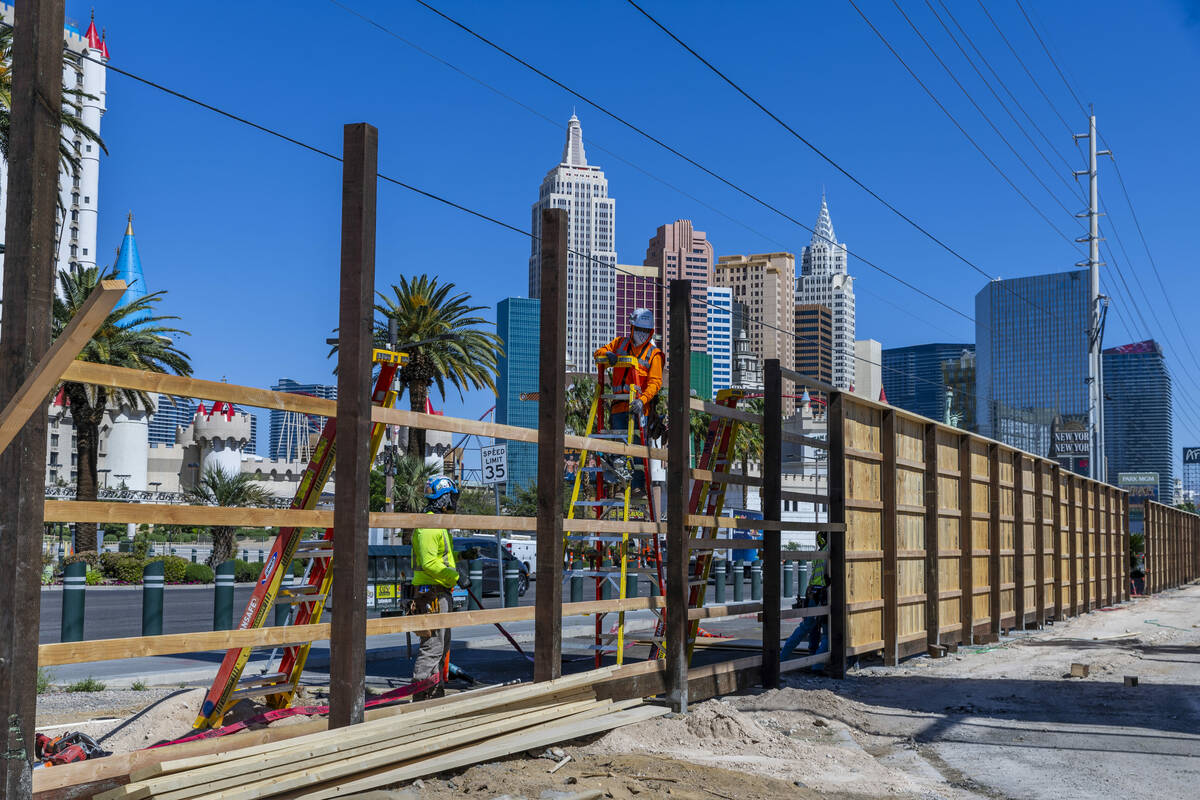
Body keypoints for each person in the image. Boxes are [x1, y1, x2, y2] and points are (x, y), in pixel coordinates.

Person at [410, 475, 470, 699]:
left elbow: (440, 557)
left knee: (441, 646)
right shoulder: (429, 525)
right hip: (431, 591)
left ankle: (434, 694)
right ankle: (421, 695)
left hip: (438, 590)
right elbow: (429, 563)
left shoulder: (437, 524)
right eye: (452, 498)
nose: (454, 503)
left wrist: (461, 562)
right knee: (433, 646)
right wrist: (455, 577)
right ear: (444, 499)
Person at [593, 308, 664, 490]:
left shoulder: (654, 354)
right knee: (620, 449)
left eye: (645, 331)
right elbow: (598, 353)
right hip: (618, 405)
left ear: (650, 332)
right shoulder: (620, 344)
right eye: (639, 329)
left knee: (639, 450)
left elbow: (655, 383)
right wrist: (606, 356)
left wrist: (642, 400)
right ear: (632, 328)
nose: (642, 334)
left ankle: (638, 487)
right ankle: (619, 485)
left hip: (640, 408)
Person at [781, 533, 829, 663]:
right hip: (822, 594)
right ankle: (816, 664)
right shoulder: (829, 550)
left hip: (812, 593)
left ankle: (782, 658)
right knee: (826, 633)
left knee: (808, 627)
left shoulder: (820, 551)